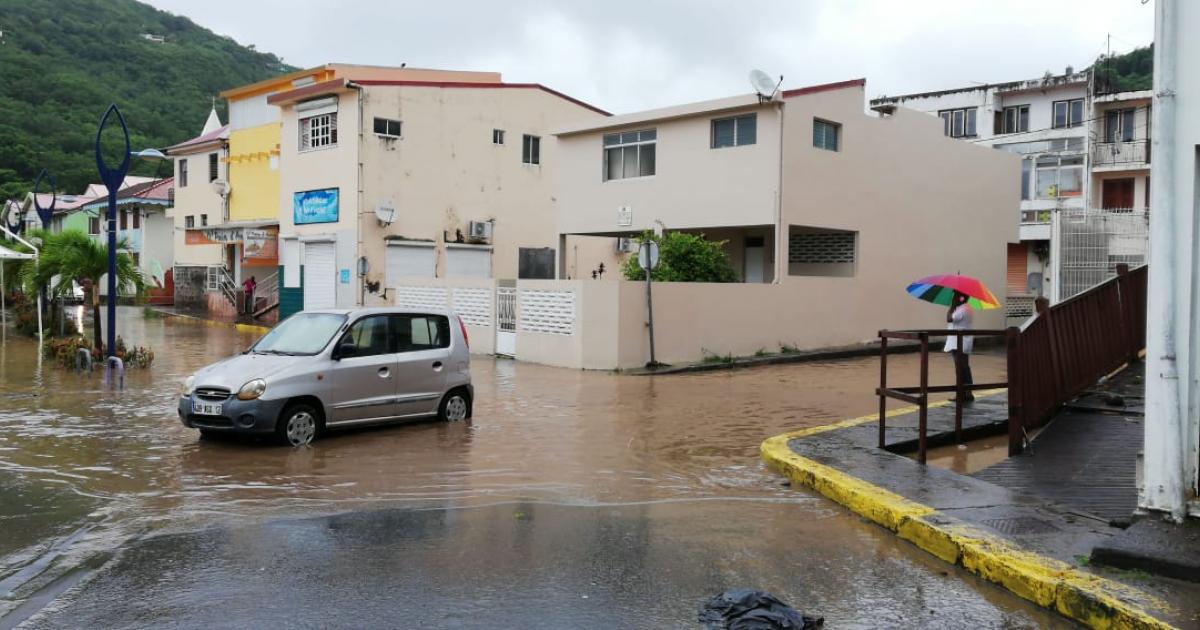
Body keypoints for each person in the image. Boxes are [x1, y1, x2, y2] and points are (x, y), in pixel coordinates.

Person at [945, 291, 974, 402]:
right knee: (964, 368)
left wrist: (952, 305)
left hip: (959, 343)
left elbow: (949, 318)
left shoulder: (963, 309)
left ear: (961, 298)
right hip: (961, 342)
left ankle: (961, 394)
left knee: (960, 369)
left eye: (955, 296)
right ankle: (967, 393)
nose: (954, 298)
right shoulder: (966, 308)